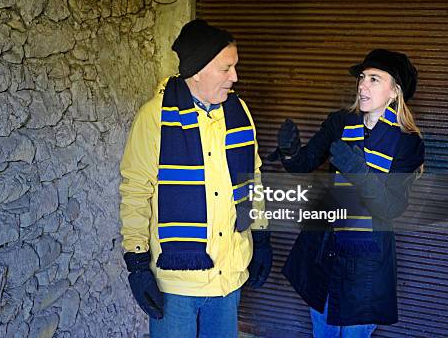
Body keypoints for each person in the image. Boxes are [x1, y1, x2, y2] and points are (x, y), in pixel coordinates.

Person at [119, 19, 272, 337]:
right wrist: (136, 261)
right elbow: (136, 190)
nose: (235, 77)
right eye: (226, 68)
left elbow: (251, 179)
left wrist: (262, 236)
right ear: (198, 69)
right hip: (176, 281)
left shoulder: (239, 111)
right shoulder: (155, 117)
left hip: (228, 277)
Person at [268, 49, 425, 337]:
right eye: (362, 78)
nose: (363, 85)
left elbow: (391, 207)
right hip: (326, 249)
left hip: (365, 264)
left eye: (374, 79)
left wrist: (358, 171)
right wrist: (290, 152)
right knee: (323, 330)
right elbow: (304, 163)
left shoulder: (407, 144)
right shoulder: (340, 123)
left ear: (394, 92)